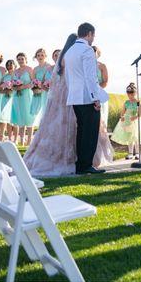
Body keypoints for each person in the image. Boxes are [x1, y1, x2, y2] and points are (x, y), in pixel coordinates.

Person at [23, 33, 113, 176]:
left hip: (61, 96)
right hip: (73, 94)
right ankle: (79, 161)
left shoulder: (61, 59)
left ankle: (79, 161)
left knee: (60, 126)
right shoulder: (72, 57)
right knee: (78, 127)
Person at [64, 23, 109, 174]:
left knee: (81, 131)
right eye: (93, 36)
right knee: (90, 132)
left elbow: (68, 77)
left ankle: (80, 165)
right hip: (87, 97)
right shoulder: (87, 50)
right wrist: (95, 98)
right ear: (89, 34)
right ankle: (86, 165)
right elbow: (91, 78)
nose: (93, 39)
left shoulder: (69, 51)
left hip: (75, 97)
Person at [111, 83, 141, 159]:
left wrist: (136, 116)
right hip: (128, 121)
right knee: (129, 137)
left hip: (135, 121)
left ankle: (137, 153)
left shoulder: (137, 102)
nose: (130, 96)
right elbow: (123, 111)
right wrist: (122, 117)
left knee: (136, 137)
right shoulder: (126, 102)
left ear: (135, 93)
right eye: (129, 94)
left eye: (132, 94)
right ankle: (130, 153)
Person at [12, 52, 35, 146]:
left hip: (27, 95)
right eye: (19, 59)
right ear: (17, 60)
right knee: (20, 118)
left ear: (25, 59)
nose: (21, 60)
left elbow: (34, 82)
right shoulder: (15, 71)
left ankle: (29, 140)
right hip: (17, 96)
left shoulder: (30, 69)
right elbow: (12, 84)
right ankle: (21, 140)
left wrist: (23, 86)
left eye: (22, 59)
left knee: (28, 117)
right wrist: (15, 87)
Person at [30, 49, 53, 127]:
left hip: (46, 92)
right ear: (36, 57)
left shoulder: (49, 67)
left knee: (46, 112)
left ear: (45, 56)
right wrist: (35, 87)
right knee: (35, 115)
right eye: (38, 55)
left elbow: (51, 80)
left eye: (42, 55)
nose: (40, 57)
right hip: (37, 93)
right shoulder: (35, 69)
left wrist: (45, 86)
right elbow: (32, 82)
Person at [0, 59, 17, 142]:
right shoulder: (5, 77)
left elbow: (18, 87)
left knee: (15, 118)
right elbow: (0, 90)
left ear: (15, 65)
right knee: (6, 118)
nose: (9, 66)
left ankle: (15, 138)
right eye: (8, 65)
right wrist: (6, 91)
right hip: (5, 98)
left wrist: (12, 89)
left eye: (11, 64)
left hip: (15, 98)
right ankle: (9, 137)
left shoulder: (17, 75)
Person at [92, 45, 110, 127]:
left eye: (94, 51)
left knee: (100, 121)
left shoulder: (102, 66)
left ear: (98, 53)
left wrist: (96, 89)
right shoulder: (84, 65)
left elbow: (105, 82)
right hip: (88, 95)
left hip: (99, 93)